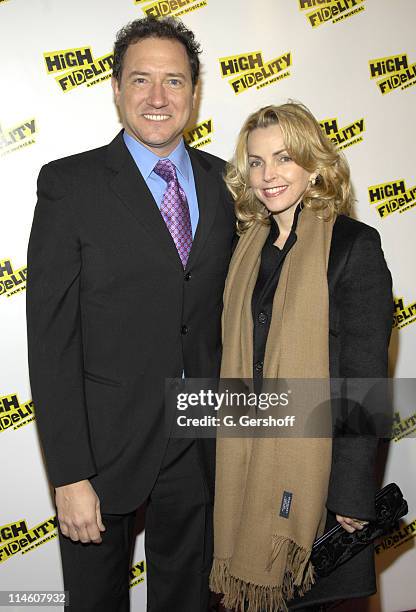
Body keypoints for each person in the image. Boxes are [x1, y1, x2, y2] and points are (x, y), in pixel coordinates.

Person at [26, 16, 235, 612]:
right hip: (100, 453)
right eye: (140, 79)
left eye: (174, 81)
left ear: (195, 93)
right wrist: (68, 476)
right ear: (115, 89)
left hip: (202, 447)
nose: (158, 97)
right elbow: (52, 340)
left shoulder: (230, 185)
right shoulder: (70, 185)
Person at [209, 102, 392, 611]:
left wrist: (353, 490)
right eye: (256, 161)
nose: (268, 176)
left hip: (322, 481)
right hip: (246, 467)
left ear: (313, 166)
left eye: (283, 158)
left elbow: (365, 378)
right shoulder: (246, 248)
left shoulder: (354, 246)